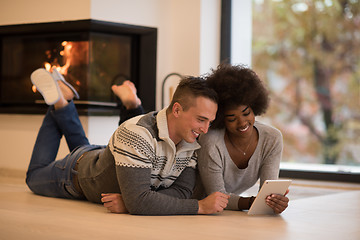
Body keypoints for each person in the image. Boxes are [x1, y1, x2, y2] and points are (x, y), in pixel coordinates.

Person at [26, 67, 230, 216]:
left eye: (209, 122)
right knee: (34, 176)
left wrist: (135, 201)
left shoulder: (192, 140)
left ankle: (64, 100)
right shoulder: (136, 134)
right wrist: (200, 207)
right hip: (75, 175)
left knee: (87, 149)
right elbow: (141, 203)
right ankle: (60, 103)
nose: (205, 130)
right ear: (176, 109)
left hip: (105, 160)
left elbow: (182, 191)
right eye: (201, 119)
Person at [197, 64, 289, 214]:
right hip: (196, 209)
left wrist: (274, 202)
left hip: (226, 213)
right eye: (232, 118)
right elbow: (215, 196)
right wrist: (254, 202)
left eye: (246, 113)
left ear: (255, 107)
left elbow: (267, 194)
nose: (242, 123)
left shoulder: (272, 138)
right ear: (220, 119)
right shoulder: (211, 141)